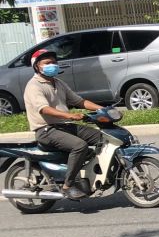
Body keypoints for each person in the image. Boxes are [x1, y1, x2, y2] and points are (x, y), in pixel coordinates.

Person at [22, 49, 104, 200]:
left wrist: (103, 109)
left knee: (103, 137)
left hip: (64, 126)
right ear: (37, 66)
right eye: (47, 63)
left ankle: (88, 174)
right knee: (79, 146)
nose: (52, 65)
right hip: (46, 130)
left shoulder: (58, 83)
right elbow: (44, 109)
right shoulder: (34, 85)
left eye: (54, 62)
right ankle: (68, 185)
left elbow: (79, 101)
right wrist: (69, 115)